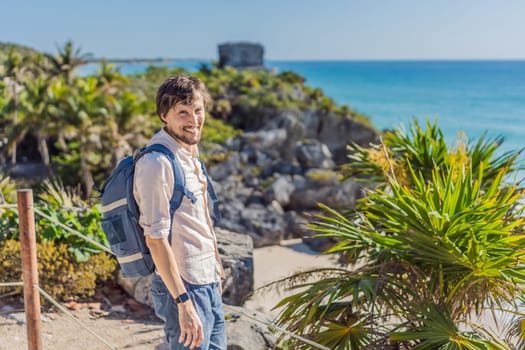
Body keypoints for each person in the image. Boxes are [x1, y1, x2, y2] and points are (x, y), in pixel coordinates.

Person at [133, 75, 226, 350]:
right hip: (184, 287)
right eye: (183, 113)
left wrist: (216, 274)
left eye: (198, 110)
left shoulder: (189, 152)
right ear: (164, 115)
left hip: (207, 280)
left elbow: (200, 222)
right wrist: (184, 303)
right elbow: (155, 238)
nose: (194, 120)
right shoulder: (157, 163)